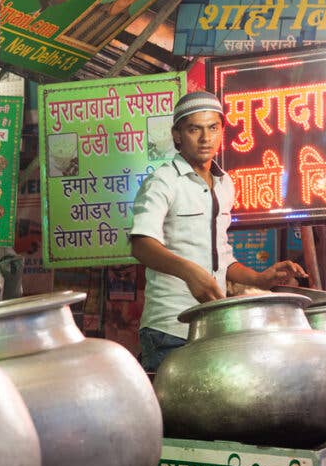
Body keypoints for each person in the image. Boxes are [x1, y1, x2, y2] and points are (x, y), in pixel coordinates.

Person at [130, 91, 307, 371]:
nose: (205, 138)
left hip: (212, 326)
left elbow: (220, 257)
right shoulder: (163, 182)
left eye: (212, 128)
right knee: (177, 413)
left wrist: (260, 278)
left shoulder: (225, 184)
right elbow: (141, 244)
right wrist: (189, 272)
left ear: (221, 131)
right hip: (170, 328)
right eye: (194, 129)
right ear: (177, 135)